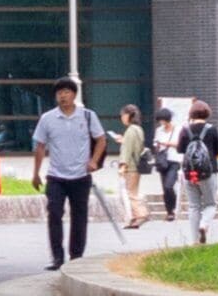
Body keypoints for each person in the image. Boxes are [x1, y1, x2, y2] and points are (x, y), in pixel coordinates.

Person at [28, 77, 98, 270]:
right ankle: (57, 258)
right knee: (54, 215)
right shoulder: (47, 118)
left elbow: (100, 139)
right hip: (56, 176)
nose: (63, 96)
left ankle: (76, 256)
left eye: (67, 92)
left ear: (74, 94)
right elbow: (40, 146)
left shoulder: (87, 116)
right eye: (59, 93)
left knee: (79, 216)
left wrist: (93, 161)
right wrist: (36, 173)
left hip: (81, 176)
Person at [170, 99, 218, 244]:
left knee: (194, 206)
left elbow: (180, 149)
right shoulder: (211, 129)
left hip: (189, 173)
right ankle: (204, 224)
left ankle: (194, 240)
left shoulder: (185, 129)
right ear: (207, 113)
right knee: (210, 204)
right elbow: (217, 151)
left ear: (191, 113)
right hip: (208, 172)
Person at [113, 100, 156, 229]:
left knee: (130, 193)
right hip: (137, 165)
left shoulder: (131, 130)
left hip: (131, 167)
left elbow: (127, 150)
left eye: (122, 115)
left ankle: (142, 214)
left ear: (127, 115)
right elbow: (133, 146)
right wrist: (123, 140)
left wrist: (122, 166)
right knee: (133, 192)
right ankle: (135, 217)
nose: (122, 118)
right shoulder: (138, 129)